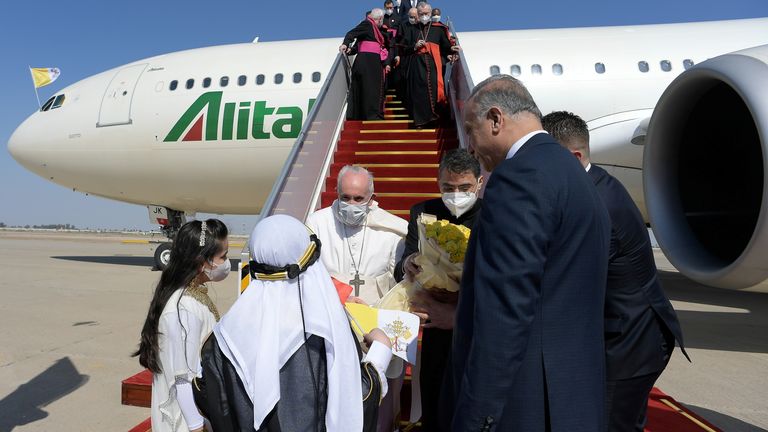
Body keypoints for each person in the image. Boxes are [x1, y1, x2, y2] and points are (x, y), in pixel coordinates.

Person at [448, 75, 611, 431]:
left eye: (471, 131)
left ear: (495, 119)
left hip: (527, 405)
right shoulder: (572, 171)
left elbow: (505, 310)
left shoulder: (519, 177)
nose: (471, 148)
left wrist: (478, 418)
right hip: (571, 397)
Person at [542, 111, 690, 432]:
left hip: (629, 343)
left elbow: (569, 279)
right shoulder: (590, 186)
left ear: (574, 156)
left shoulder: (599, 203)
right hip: (618, 336)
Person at [193, 215, 393, 431]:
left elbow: (208, 397)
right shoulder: (325, 331)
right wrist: (381, 352)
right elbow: (355, 401)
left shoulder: (224, 334)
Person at [306, 165, 407, 432]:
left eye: (359, 198)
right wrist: (345, 296)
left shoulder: (393, 230)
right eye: (345, 197)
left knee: (376, 394)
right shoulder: (317, 223)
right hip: (331, 322)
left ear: (371, 198)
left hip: (375, 325)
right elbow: (308, 274)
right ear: (337, 194)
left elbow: (401, 283)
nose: (351, 204)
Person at [394, 148, 483, 432]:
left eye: (464, 187)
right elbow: (401, 266)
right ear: (438, 183)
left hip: (478, 329)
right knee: (435, 406)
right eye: (448, 187)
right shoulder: (423, 212)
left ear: (479, 184)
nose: (456, 194)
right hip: (435, 331)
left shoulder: (494, 214)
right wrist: (408, 263)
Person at [134, 219, 230, 432]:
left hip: (203, 408)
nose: (226, 263)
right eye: (222, 257)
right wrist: (197, 426)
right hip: (187, 420)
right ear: (201, 262)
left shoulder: (194, 295)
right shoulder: (182, 308)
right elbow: (182, 378)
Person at [400, 2, 457, 127]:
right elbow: (403, 48)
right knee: (418, 92)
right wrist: (414, 46)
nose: (424, 16)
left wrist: (452, 51)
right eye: (421, 14)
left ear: (430, 14)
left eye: (426, 14)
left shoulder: (439, 29)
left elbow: (446, 46)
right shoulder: (411, 29)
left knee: (435, 90)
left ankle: (435, 119)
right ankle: (420, 121)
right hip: (417, 65)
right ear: (417, 15)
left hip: (433, 65)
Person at [341, 9, 391, 121]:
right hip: (367, 62)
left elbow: (359, 43)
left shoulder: (375, 28)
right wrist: (345, 44)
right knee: (370, 89)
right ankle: (372, 115)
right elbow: (351, 33)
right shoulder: (367, 24)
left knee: (372, 89)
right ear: (379, 19)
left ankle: (372, 114)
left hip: (372, 62)